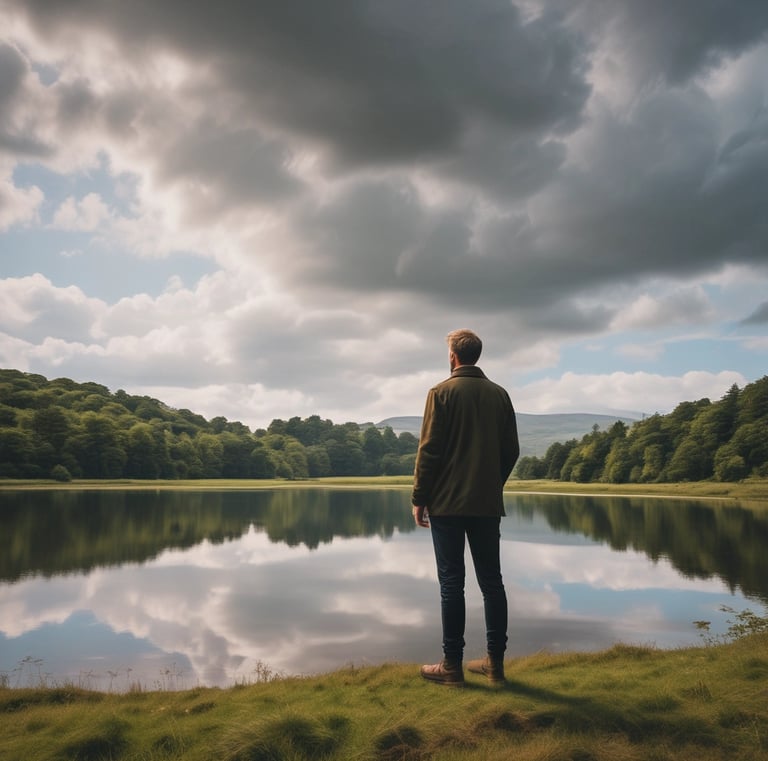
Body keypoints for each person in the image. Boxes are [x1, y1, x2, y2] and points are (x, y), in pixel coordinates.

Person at [412, 329, 519, 686]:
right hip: (486, 504)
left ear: (453, 356)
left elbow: (429, 451)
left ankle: (452, 667)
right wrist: (492, 484)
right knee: (493, 583)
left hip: (446, 504)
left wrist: (419, 498)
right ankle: (496, 665)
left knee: (451, 584)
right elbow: (511, 451)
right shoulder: (499, 395)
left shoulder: (440, 393)